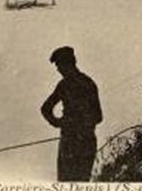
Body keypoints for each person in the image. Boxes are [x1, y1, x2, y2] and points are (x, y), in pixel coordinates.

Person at [41, 46, 103, 182]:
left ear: (67, 64)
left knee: (69, 186)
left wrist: (65, 123)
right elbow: (45, 108)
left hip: (75, 144)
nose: (58, 70)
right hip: (80, 142)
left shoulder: (71, 85)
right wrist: (59, 122)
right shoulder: (86, 83)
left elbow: (98, 116)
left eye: (59, 66)